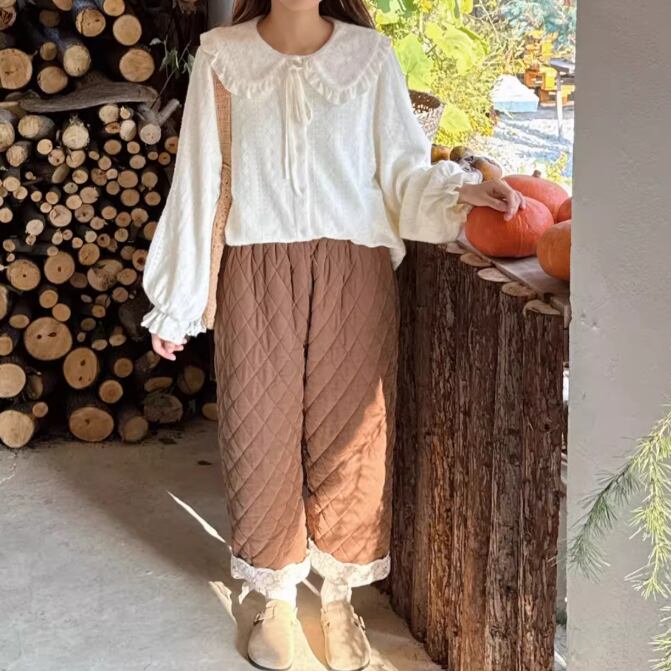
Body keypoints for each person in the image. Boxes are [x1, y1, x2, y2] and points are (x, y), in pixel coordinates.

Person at [141, 1, 524, 669]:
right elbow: (200, 178)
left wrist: (462, 192)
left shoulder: (368, 57)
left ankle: (341, 599)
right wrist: (177, 300)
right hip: (256, 264)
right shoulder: (222, 55)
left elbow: (401, 170)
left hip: (355, 264)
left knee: (354, 433)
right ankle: (277, 598)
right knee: (257, 428)